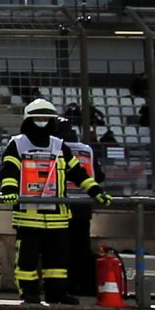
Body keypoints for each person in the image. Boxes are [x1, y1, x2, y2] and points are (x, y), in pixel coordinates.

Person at [0, 99, 98, 305]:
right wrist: (8, 190)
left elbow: (78, 173)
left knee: (58, 260)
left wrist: (95, 191)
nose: (42, 121)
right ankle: (29, 293)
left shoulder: (59, 146)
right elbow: (9, 170)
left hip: (58, 217)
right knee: (27, 258)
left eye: (46, 118)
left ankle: (57, 293)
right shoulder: (17, 144)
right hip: (29, 215)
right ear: (28, 120)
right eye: (38, 118)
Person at [55, 110, 110, 293]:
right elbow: (99, 176)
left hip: (62, 204)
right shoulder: (87, 149)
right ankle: (85, 284)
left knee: (62, 246)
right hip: (84, 205)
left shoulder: (55, 148)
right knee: (82, 246)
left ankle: (68, 284)